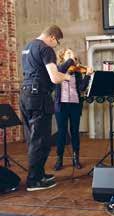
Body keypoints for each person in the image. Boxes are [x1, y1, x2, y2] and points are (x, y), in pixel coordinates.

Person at [20, 25, 71, 191]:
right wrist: (67, 77)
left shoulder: (28, 47)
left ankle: (39, 174)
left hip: (26, 94)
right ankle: (34, 181)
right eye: (56, 42)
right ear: (52, 37)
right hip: (39, 96)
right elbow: (55, 78)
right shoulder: (46, 48)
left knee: (32, 137)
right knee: (41, 139)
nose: (55, 46)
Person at [53, 48, 93, 171]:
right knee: (62, 132)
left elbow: (81, 88)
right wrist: (71, 60)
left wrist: (87, 75)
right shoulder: (57, 69)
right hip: (61, 105)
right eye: (68, 53)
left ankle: (76, 158)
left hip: (75, 104)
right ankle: (59, 158)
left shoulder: (76, 71)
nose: (72, 56)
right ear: (62, 56)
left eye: (72, 53)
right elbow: (61, 71)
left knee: (75, 131)